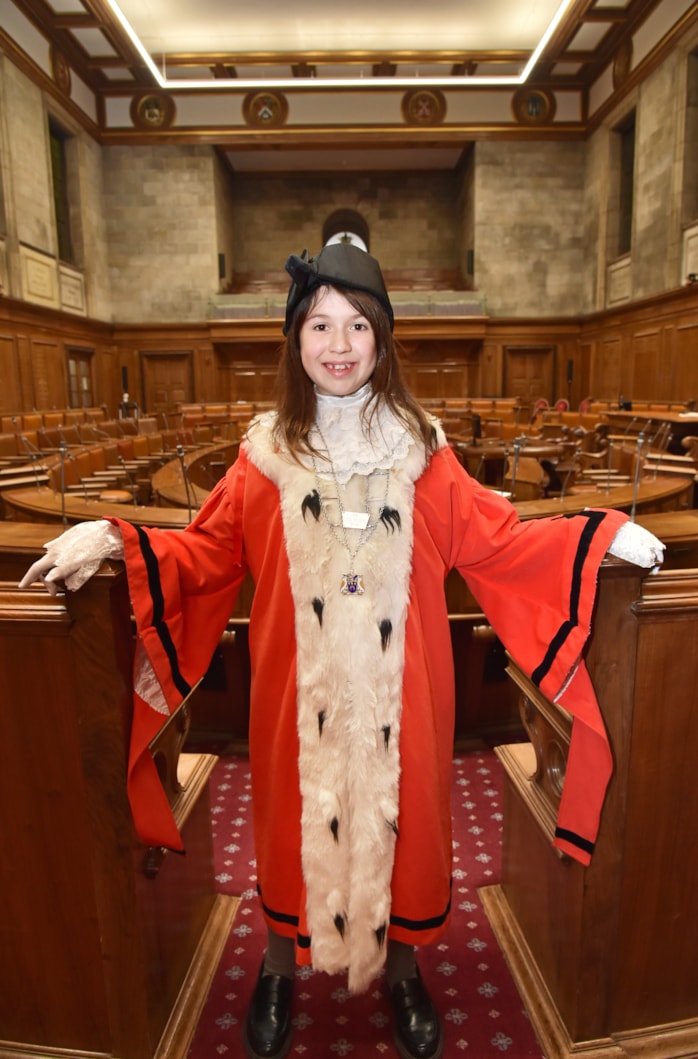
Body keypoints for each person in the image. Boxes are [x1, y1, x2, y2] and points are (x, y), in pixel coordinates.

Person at [20, 243, 664, 1059]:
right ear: (294, 340)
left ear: (383, 338)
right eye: (319, 323)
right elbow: (205, 553)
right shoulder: (264, 460)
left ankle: (401, 968)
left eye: (357, 324)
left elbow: (501, 544)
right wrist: (111, 537)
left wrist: (603, 535)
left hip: (410, 699)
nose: (338, 342)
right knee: (293, 827)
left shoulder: (425, 455)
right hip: (299, 702)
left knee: (409, 828)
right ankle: (278, 963)